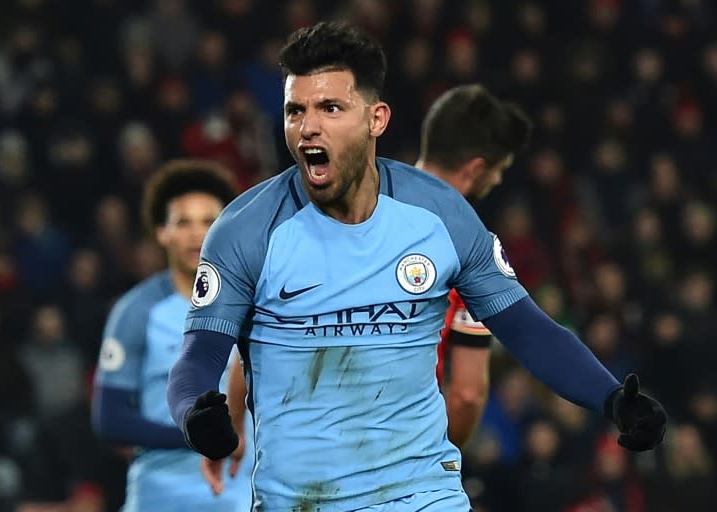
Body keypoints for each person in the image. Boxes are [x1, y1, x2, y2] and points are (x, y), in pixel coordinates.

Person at [166, 21, 666, 512]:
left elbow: (527, 329)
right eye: (295, 110)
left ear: (376, 119)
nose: (308, 126)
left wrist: (611, 398)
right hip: (301, 502)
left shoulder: (441, 216)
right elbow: (200, 353)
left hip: (423, 495)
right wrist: (194, 412)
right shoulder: (245, 231)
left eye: (330, 108)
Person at [91, 159, 253, 511]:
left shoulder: (255, 306)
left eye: (208, 221)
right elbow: (110, 419)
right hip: (159, 495)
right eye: (183, 222)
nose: (197, 234)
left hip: (241, 494)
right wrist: (201, 436)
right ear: (162, 232)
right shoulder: (136, 311)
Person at [416, 84, 532, 448]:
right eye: (499, 170)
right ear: (476, 168)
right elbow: (467, 393)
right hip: (400, 449)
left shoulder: (356, 207)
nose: (497, 182)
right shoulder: (470, 251)